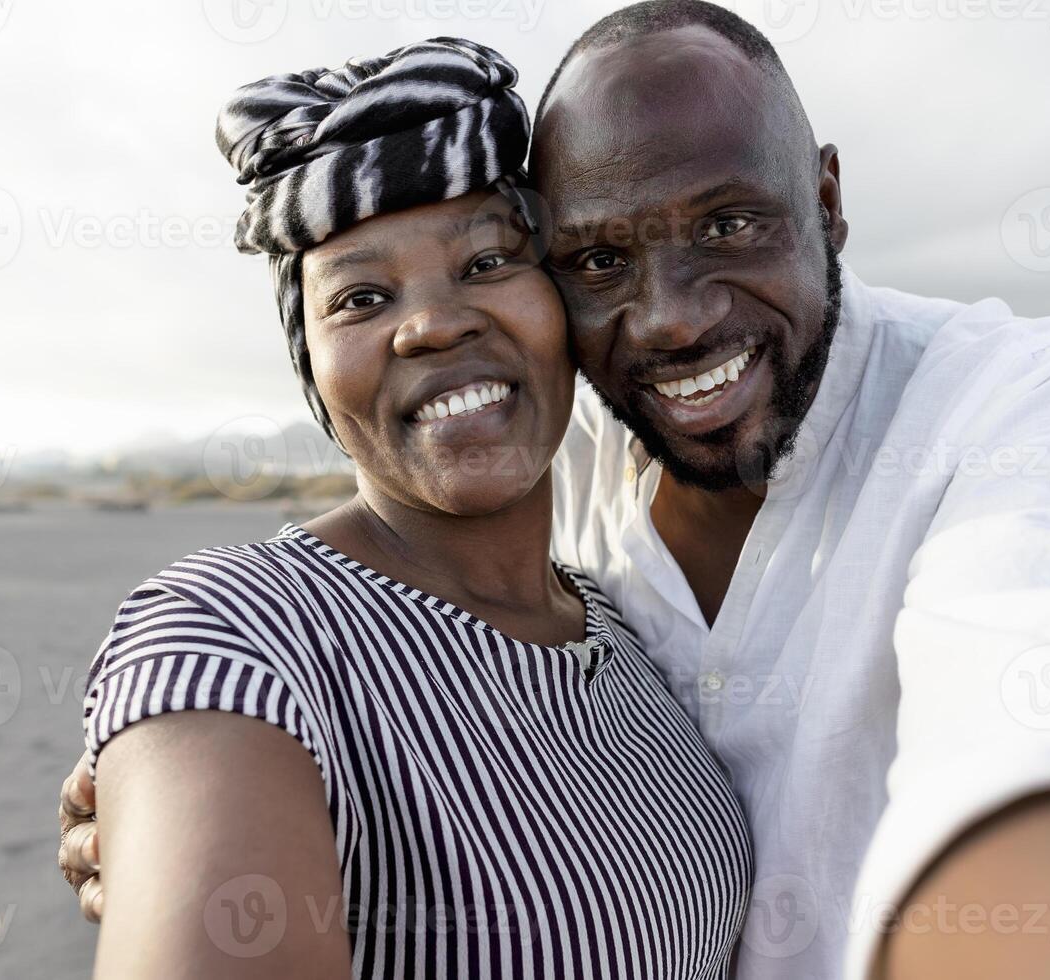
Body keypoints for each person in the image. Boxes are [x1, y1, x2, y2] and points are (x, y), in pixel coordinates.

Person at [65, 4, 1050, 978]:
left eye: (729, 226)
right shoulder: (259, 621)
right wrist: (189, 799)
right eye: (603, 257)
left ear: (827, 200)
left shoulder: (1003, 404)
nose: (671, 320)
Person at [70, 36, 752, 980]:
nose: (432, 322)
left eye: (485, 263)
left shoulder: (619, 631)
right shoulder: (237, 633)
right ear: (311, 367)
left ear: (564, 311)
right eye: (359, 296)